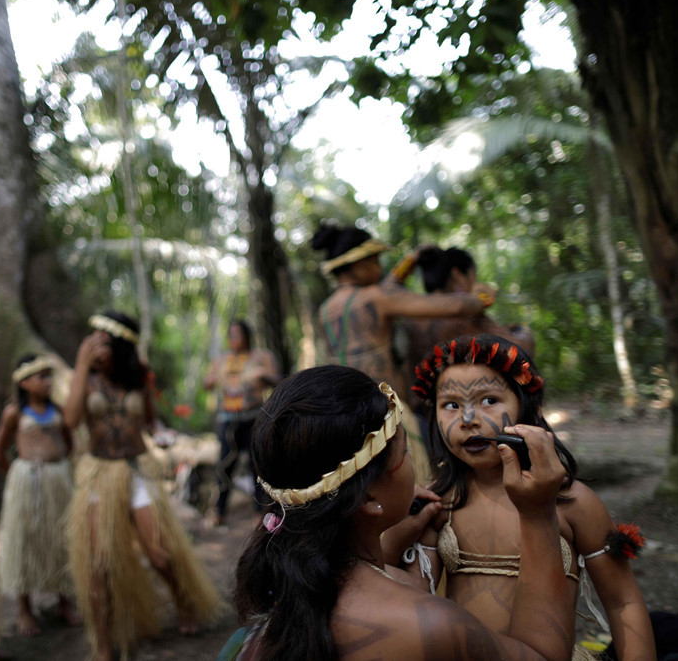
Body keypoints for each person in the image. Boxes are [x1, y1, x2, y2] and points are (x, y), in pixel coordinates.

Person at [225, 364, 578, 660]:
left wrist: (390, 545)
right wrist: (537, 514)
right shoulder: (435, 628)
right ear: (369, 500)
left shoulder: (280, 598)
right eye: (404, 452)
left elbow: (395, 586)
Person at [408, 334, 655, 660]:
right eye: (451, 405)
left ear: (530, 408)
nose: (468, 420)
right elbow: (414, 603)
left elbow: (623, 602)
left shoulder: (572, 503)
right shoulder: (440, 504)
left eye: (489, 401)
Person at [63, 311, 222, 660]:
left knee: (160, 554)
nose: (96, 347)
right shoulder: (84, 380)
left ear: (121, 346)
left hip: (136, 471)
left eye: (104, 341)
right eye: (93, 340)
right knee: (99, 564)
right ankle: (103, 645)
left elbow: (149, 420)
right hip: (100, 475)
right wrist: (80, 365)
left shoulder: (138, 381)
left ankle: (183, 601)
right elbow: (72, 419)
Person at [312, 223, 490, 482]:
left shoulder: (326, 309)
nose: (380, 267)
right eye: (374, 260)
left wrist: (411, 261)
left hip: (342, 413)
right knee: (420, 483)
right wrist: (481, 297)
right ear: (358, 264)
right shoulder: (377, 297)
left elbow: (386, 288)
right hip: (386, 416)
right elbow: (453, 306)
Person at [397, 245, 536, 450]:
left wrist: (410, 259)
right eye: (472, 275)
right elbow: (521, 349)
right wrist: (524, 330)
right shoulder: (464, 312)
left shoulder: (410, 313)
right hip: (466, 416)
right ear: (457, 274)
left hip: (422, 417)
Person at [0, 353, 79, 636]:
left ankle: (64, 601)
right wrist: (18, 474)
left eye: (48, 376)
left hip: (58, 480)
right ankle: (24, 610)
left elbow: (68, 442)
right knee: (25, 540)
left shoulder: (58, 410)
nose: (46, 382)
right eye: (40, 377)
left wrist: (59, 466)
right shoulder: (14, 412)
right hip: (27, 481)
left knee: (61, 538)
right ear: (24, 382)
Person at [202, 319, 280, 526]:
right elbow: (207, 383)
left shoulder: (261, 357)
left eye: (239, 334)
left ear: (247, 336)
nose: (235, 339)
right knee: (225, 465)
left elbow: (277, 379)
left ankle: (260, 513)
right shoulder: (221, 360)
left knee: (258, 465)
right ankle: (218, 512)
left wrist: (262, 375)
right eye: (232, 335)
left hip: (254, 417)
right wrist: (215, 379)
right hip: (228, 420)